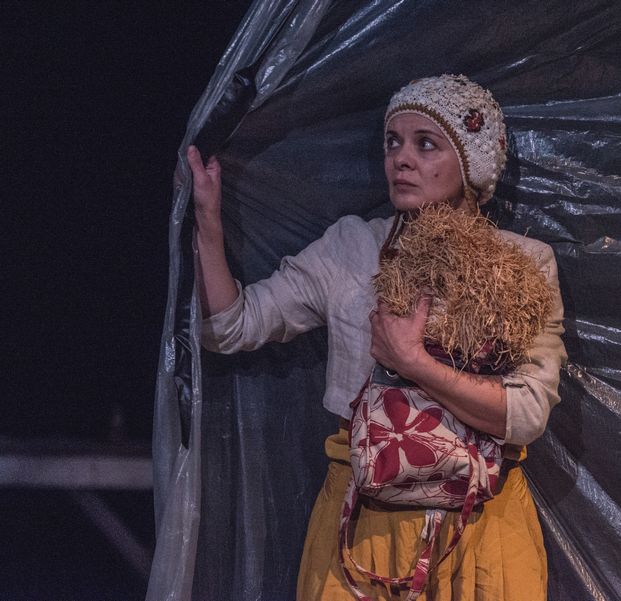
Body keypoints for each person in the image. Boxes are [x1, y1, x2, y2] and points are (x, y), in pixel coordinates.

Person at [189, 74, 567, 601]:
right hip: (364, 523)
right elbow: (232, 326)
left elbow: (525, 415)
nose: (400, 159)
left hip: (480, 526)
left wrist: (413, 362)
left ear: (472, 164)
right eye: (393, 142)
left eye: (425, 144)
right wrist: (208, 221)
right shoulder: (352, 249)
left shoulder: (522, 264)